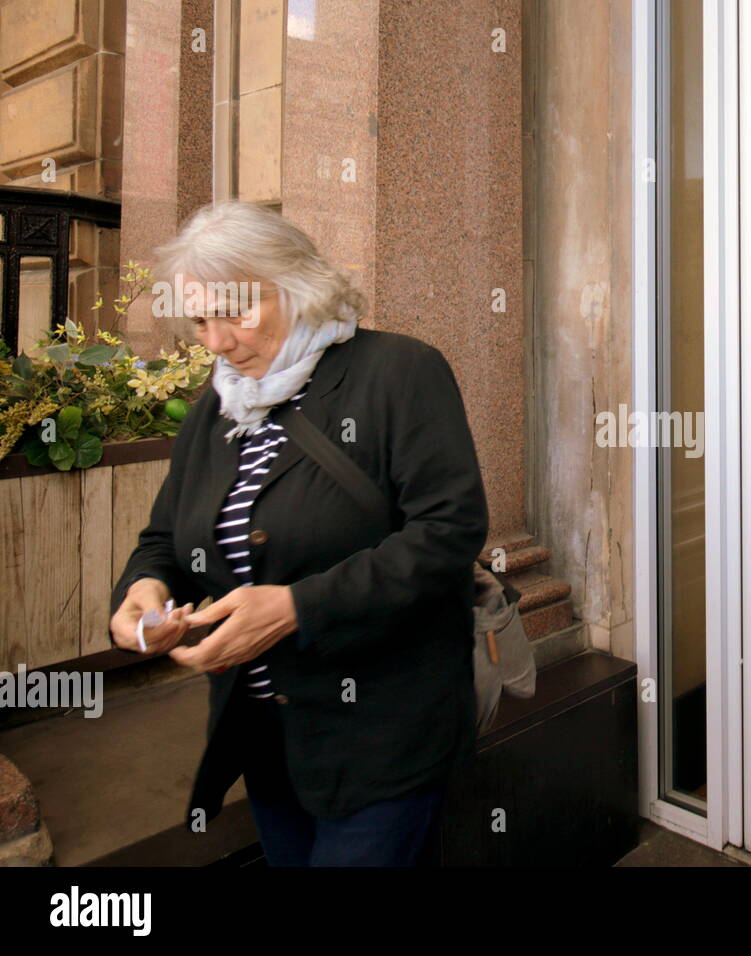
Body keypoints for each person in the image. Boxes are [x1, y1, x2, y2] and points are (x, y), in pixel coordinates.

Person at [107, 200, 489, 866]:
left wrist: (295, 609)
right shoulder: (214, 409)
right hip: (265, 739)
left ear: (297, 286)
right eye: (201, 320)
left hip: (380, 738)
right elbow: (166, 537)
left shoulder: (397, 373)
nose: (219, 342)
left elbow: (448, 532)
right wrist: (142, 592)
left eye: (237, 313)